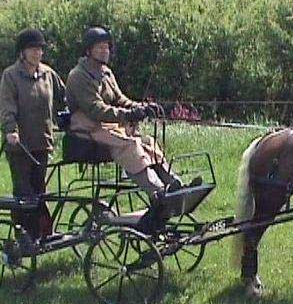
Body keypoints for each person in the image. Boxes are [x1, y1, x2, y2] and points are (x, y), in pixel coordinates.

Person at [65, 26, 198, 197]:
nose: (105, 51)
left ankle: (174, 183)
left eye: (107, 47)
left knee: (147, 141)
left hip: (108, 127)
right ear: (89, 50)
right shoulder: (78, 76)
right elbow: (95, 109)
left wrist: (140, 108)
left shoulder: (106, 73)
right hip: (87, 129)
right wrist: (126, 115)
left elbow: (120, 99)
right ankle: (157, 191)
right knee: (129, 145)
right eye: (100, 47)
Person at [0, 28, 66, 240]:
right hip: (20, 146)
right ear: (22, 52)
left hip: (42, 142)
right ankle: (24, 235)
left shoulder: (48, 74)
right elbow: (7, 106)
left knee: (40, 190)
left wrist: (71, 116)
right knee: (24, 191)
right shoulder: (11, 76)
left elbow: (64, 97)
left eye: (39, 49)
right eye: (32, 49)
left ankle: (43, 233)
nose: (37, 53)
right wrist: (11, 130)